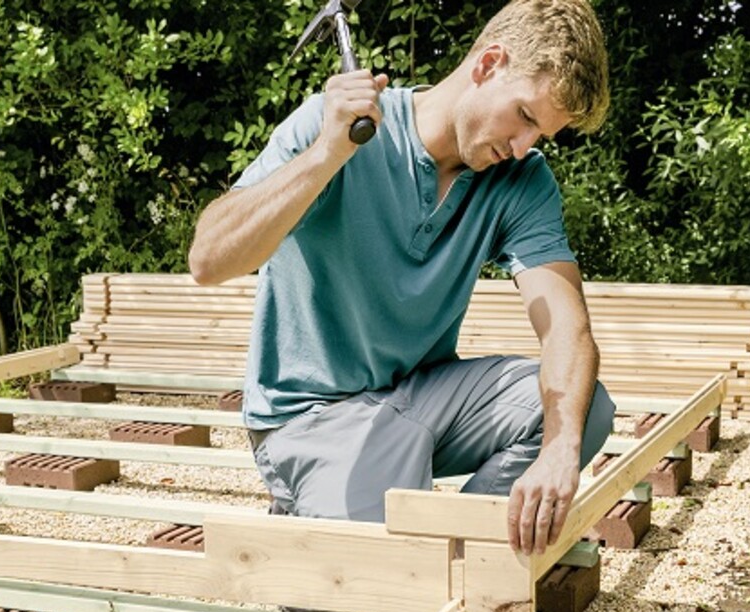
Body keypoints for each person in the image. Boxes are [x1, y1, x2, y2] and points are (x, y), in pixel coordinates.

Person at [189, 0, 615, 556]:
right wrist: (327, 153)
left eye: (541, 136)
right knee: (383, 593)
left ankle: (460, 545)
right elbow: (208, 259)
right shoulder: (337, 127)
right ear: (489, 64)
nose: (522, 148)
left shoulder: (521, 181)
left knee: (580, 410)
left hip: (418, 396)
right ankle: (319, 505)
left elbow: (567, 329)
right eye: (526, 118)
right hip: (315, 416)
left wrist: (559, 451)